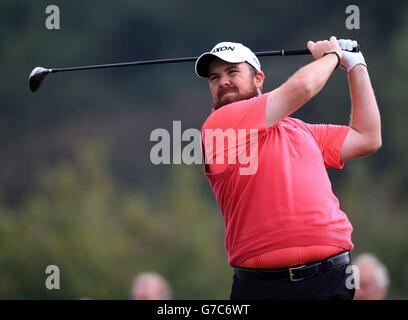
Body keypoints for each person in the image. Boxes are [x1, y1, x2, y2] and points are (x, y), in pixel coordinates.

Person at [195, 37, 381, 300]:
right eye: (214, 78)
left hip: (331, 278)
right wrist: (332, 55)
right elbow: (303, 86)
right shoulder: (220, 125)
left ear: (258, 78)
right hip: (264, 287)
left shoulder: (301, 130)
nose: (223, 81)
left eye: (232, 71)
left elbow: (367, 137)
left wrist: (356, 66)